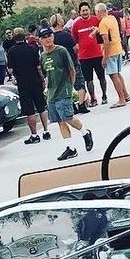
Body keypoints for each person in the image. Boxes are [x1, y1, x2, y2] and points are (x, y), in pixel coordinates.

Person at [38, 27, 94, 162]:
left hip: (64, 90)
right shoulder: (43, 56)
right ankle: (70, 148)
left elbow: (71, 69)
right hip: (52, 92)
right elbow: (45, 73)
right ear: (40, 40)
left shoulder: (61, 51)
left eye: (49, 35)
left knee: (68, 117)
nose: (48, 39)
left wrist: (70, 86)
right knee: (60, 121)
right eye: (44, 37)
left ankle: (85, 132)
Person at [6, 28, 51, 144]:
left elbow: (10, 70)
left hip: (23, 82)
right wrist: (42, 79)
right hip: (35, 80)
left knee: (29, 110)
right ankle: (46, 131)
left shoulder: (11, 51)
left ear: (15, 37)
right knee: (41, 106)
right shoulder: (32, 49)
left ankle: (34, 135)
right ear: (24, 36)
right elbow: (38, 67)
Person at [50, 14, 89, 113]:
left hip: (59, 65)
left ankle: (71, 105)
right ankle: (81, 104)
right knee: (80, 83)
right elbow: (75, 47)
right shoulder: (66, 35)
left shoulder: (51, 38)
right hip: (72, 62)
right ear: (59, 22)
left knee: (66, 85)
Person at [94, 3, 130, 106]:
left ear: (99, 12)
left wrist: (105, 57)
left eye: (96, 12)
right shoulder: (112, 18)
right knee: (118, 74)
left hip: (111, 52)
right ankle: (126, 95)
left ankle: (121, 99)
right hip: (118, 48)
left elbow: (106, 41)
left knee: (113, 76)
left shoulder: (103, 23)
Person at [72, 2, 108, 105]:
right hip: (84, 57)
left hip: (98, 54)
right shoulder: (76, 24)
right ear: (79, 12)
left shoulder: (96, 20)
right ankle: (93, 99)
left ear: (89, 10)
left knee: (102, 77)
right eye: (83, 11)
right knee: (89, 80)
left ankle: (104, 96)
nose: (85, 12)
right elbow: (74, 40)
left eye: (86, 10)